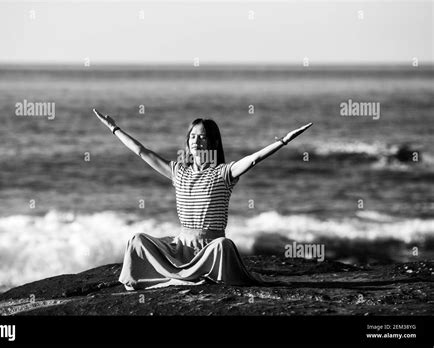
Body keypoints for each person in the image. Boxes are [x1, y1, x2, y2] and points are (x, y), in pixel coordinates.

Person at [93, 108, 312, 290]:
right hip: (180, 249)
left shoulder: (224, 172)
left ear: (213, 142)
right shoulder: (178, 171)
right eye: (193, 136)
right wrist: (114, 128)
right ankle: (175, 275)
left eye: (203, 136)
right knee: (137, 241)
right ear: (187, 143)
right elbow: (142, 151)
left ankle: (195, 276)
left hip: (210, 250)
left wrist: (283, 141)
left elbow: (253, 160)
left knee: (223, 246)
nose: (197, 141)